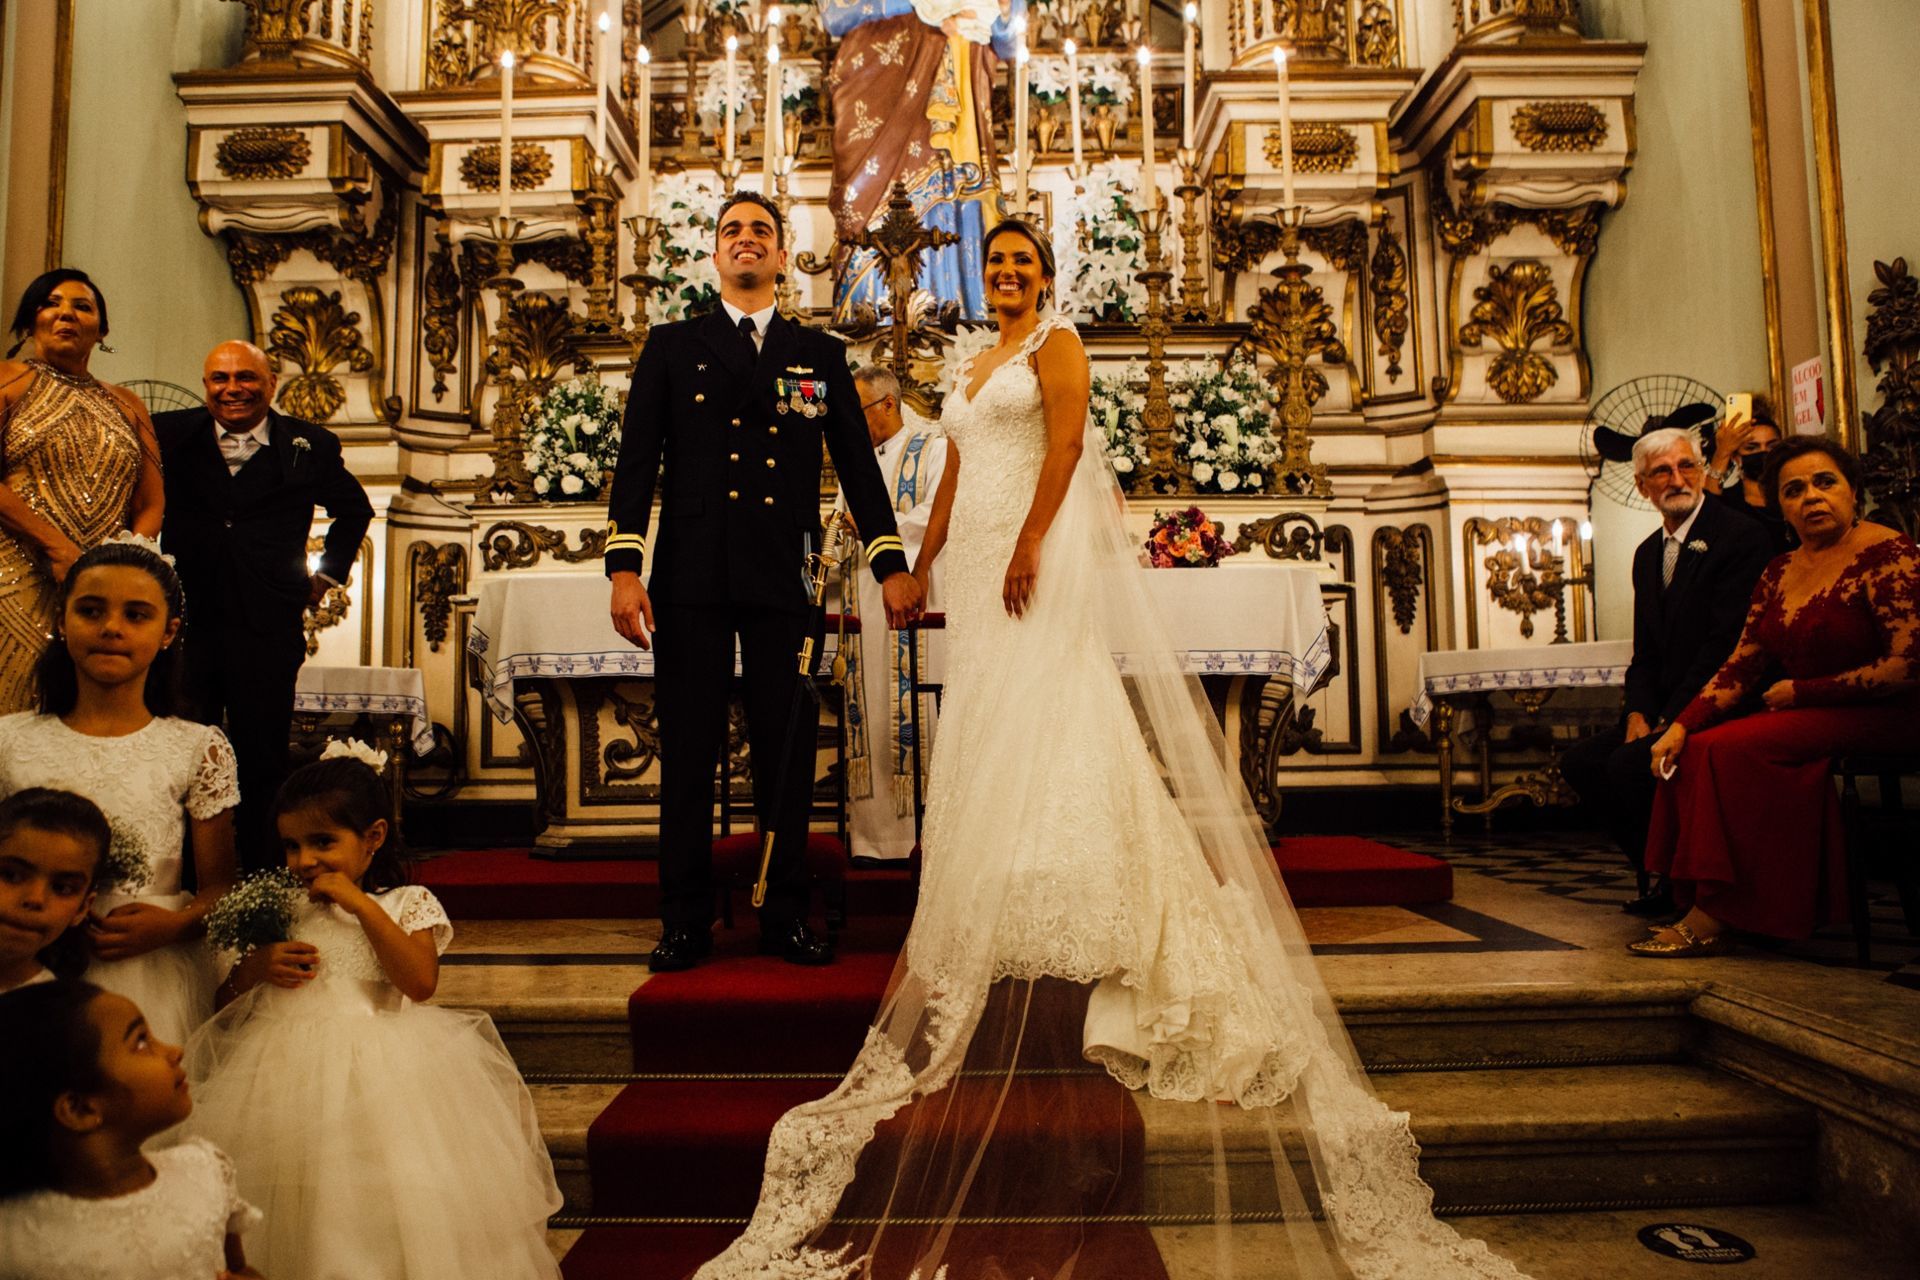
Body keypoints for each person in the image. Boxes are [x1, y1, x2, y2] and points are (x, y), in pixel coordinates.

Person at [690, 219, 1527, 1279]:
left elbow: (1071, 445)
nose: (1005, 277)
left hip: (1034, 555)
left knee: (1057, 707)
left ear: (1044, 276)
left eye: (1020, 266)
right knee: (992, 718)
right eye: (994, 265)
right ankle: (1004, 874)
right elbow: (950, 469)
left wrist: (1035, 539)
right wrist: (919, 563)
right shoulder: (972, 357)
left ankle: (1081, 892)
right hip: (975, 559)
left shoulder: (1058, 344)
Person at [604, 192, 925, 971]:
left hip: (788, 573)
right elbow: (638, 462)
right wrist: (623, 568)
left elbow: (855, 463)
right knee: (686, 750)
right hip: (690, 576)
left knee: (785, 751)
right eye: (732, 232)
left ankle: (783, 915)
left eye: (761, 232)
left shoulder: (816, 356)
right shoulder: (674, 346)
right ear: (717, 256)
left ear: (782, 257)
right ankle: (683, 919)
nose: (746, 241)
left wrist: (892, 565)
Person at [180, 746, 561, 1279]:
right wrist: (257, 966)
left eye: (323, 843)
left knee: (375, 1202)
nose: (305, 860)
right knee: (298, 1202)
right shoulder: (281, 906)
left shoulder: (407, 901)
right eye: (292, 846)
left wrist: (360, 905)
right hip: (279, 1074)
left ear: (374, 838)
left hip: (382, 1078)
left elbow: (420, 983)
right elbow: (225, 1005)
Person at [1638, 438, 1920, 957]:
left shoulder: (1889, 552)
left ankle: (1719, 914)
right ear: (1782, 508)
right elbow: (1742, 662)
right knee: (1697, 746)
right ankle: (1729, 903)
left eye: (1824, 482)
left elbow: (1909, 665)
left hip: (1887, 712)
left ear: (1853, 492)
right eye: (1794, 490)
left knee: (1732, 749)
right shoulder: (1779, 569)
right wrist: (1682, 723)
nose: (1811, 497)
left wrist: (1802, 692)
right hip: (1813, 712)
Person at [0, 537, 238, 1045]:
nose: (111, 628)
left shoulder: (197, 746)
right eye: (91, 611)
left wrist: (173, 926)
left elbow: (220, 886)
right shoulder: (9, 740)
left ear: (169, 632)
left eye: (136, 615)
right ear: (62, 621)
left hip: (150, 970)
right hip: (28, 959)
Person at [153, 340, 374, 871]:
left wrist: (326, 575)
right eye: (220, 379)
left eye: (246, 378)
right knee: (182, 749)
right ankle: (185, 873)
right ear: (205, 385)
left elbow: (355, 511)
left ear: (271, 384)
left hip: (268, 624)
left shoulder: (308, 443)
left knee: (262, 755)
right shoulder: (167, 434)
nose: (233, 389)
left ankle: (261, 872)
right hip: (187, 621)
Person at [1560, 425, 1772, 916]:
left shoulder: (1739, 537)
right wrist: (1637, 712)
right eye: (1663, 471)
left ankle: (1690, 889)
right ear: (1642, 486)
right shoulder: (1647, 553)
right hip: (1662, 708)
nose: (1678, 479)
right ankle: (1664, 874)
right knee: (1582, 763)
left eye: (1687, 466)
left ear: (1700, 471)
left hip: (1719, 702)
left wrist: (1672, 719)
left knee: (1627, 766)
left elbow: (1726, 646)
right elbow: (1646, 654)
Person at [0, 981, 264, 1279]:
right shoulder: (14, 1241)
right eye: (141, 1042)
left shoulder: (207, 1171)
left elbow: (239, 1269)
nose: (175, 1050)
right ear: (79, 1109)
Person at [0, 269, 165, 712]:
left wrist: (124, 563)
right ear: (30, 319)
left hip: (102, 590)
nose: (66, 314)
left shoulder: (127, 404)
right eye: (52, 303)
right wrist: (56, 549)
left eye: (82, 306)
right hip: (16, 575)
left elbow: (150, 503)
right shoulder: (6, 382)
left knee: (90, 710)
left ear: (102, 330)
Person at [819, 0, 1025, 321]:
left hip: (952, 72)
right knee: (859, 203)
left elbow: (1011, 34)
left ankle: (960, 321)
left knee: (951, 189)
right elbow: (835, 13)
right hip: (876, 73)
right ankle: (865, 323)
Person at [841, 365, 949, 862]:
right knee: (873, 709)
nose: (851, 423)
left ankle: (926, 838)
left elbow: (939, 514)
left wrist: (870, 527)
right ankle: (873, 838)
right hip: (863, 597)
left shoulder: (933, 446)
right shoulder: (853, 460)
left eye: (857, 410)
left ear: (888, 404)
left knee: (918, 710)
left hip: (915, 592)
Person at [0, 788, 112, 993]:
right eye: (11, 875)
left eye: (62, 888)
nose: (35, 898)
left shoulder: (62, 1014)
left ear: (82, 909)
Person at [1708, 404, 1792, 553]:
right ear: (1736, 457)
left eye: (1772, 446)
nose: (1764, 453)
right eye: (1752, 448)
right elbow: (1706, 512)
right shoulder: (1729, 504)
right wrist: (1722, 452)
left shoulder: (1795, 495)